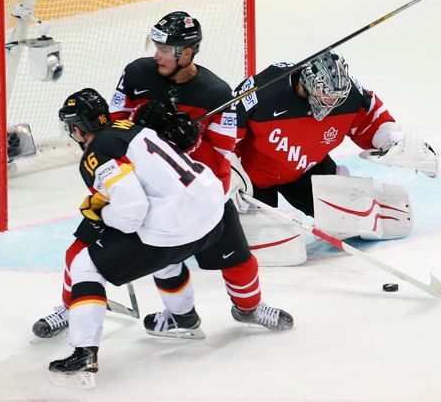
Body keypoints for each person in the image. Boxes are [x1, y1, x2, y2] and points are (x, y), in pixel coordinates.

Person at [33, 11, 290, 341]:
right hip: (135, 186)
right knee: (86, 250)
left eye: (166, 50)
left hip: (200, 193)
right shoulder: (138, 74)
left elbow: (223, 156)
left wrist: (190, 141)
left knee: (237, 259)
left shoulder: (217, 93)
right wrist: (143, 119)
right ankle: (74, 306)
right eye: (156, 46)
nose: (157, 55)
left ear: (187, 52)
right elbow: (113, 127)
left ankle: (249, 308)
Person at [48, 88, 292, 375]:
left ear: (77, 129)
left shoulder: (96, 153)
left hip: (175, 227)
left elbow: (131, 212)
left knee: (85, 266)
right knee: (165, 253)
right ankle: (182, 318)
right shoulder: (132, 128)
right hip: (214, 214)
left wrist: (102, 211)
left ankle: (83, 353)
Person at [233, 49, 439, 218]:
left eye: (337, 98)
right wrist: (229, 178)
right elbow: (225, 132)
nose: (333, 104)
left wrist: (395, 142)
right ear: (309, 83)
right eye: (327, 96)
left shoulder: (349, 95)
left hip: (306, 170)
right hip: (252, 179)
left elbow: (373, 120)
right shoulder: (264, 92)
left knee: (351, 217)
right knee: (266, 239)